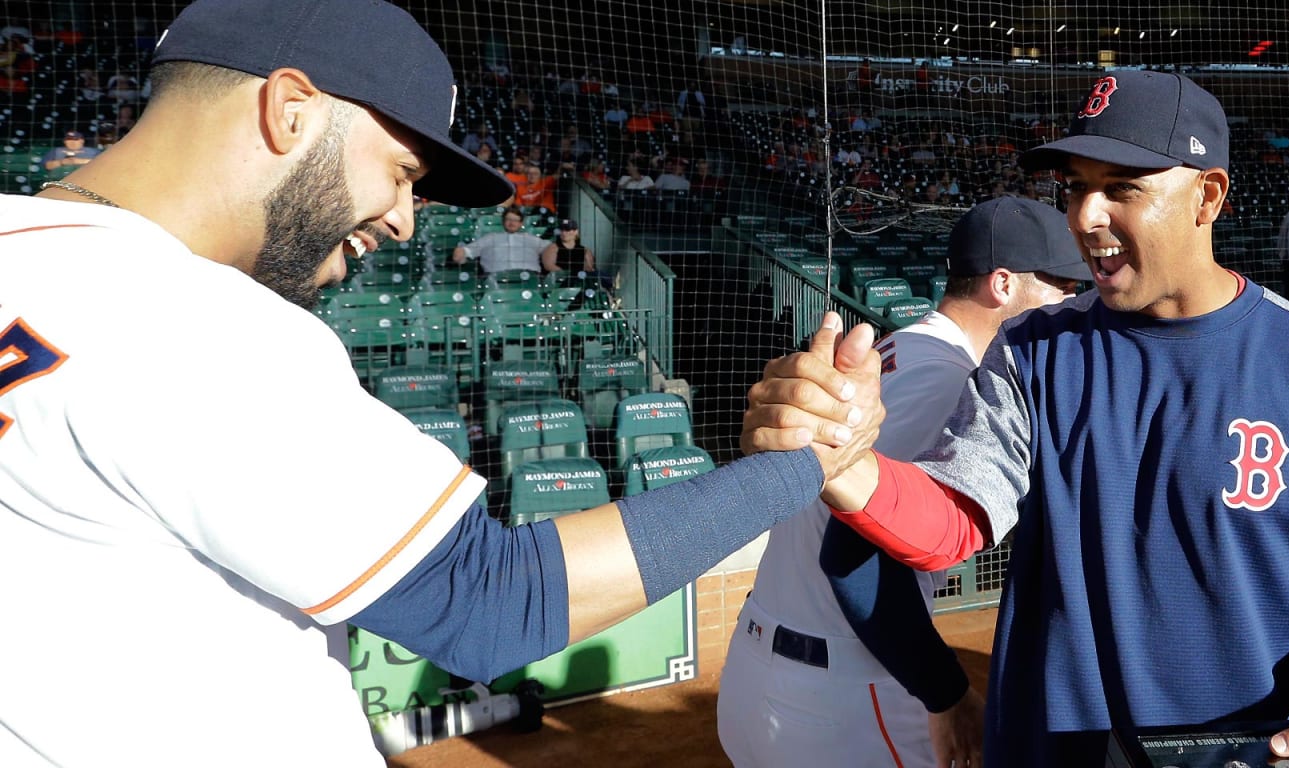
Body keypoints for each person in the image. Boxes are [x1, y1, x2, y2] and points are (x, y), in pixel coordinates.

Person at [2, 0, 886, 764]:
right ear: (291, 111)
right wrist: (807, 460)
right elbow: (492, 600)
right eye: (402, 173)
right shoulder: (186, 317)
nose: (399, 219)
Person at [742, 71, 1289, 767]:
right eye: (1077, 187)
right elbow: (951, 522)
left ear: (1207, 195)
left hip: (1256, 752)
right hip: (1062, 746)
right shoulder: (1033, 352)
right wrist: (847, 464)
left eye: (1122, 187)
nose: (1085, 216)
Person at [718, 198, 1091, 768]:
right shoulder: (951, 376)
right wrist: (948, 696)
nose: (1072, 300)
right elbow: (853, 556)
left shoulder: (906, 348)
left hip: (769, 667)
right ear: (1003, 284)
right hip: (845, 696)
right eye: (1062, 285)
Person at [451, 208, 548, 275]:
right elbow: (466, 251)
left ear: (521, 223)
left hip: (529, 278)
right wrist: (460, 252)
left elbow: (551, 249)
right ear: (503, 222)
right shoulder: (490, 238)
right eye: (508, 219)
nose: (511, 223)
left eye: (515, 220)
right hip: (496, 280)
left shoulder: (532, 239)